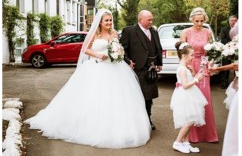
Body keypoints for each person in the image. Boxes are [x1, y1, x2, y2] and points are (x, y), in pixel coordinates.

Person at [26, 9, 151, 148]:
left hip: (115, 68)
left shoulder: (114, 33)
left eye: (110, 20)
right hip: (97, 67)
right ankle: (93, 126)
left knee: (116, 98)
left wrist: (118, 54)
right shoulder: (95, 34)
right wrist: (98, 55)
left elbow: (119, 48)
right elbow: (85, 49)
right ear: (100, 22)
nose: (109, 23)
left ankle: (119, 128)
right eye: (106, 21)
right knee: (95, 97)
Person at [180, 7, 219, 143]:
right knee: (192, 98)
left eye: (202, 21)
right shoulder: (186, 32)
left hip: (203, 66)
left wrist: (211, 63)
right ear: (192, 19)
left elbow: (211, 51)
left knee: (204, 97)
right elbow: (182, 52)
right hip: (190, 64)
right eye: (197, 21)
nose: (199, 23)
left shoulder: (207, 32)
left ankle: (207, 134)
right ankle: (191, 135)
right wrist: (187, 67)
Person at [120, 9, 163, 129]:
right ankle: (137, 120)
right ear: (140, 19)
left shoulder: (154, 32)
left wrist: (159, 62)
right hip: (138, 68)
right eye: (149, 19)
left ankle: (148, 118)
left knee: (149, 97)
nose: (151, 21)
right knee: (138, 96)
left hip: (152, 68)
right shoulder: (130, 31)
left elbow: (158, 47)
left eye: (152, 19)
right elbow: (122, 49)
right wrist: (128, 61)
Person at [170, 42, 208, 154]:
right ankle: (177, 142)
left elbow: (188, 81)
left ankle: (186, 143)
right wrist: (197, 79)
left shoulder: (185, 68)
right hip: (186, 95)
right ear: (184, 56)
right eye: (191, 55)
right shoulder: (182, 69)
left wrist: (193, 74)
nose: (193, 57)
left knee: (189, 120)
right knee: (190, 121)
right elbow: (185, 86)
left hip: (190, 94)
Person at [217, 15, 238, 89]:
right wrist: (232, 43)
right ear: (229, 22)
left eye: (235, 20)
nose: (233, 22)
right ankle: (224, 82)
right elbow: (222, 39)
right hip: (227, 51)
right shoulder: (224, 29)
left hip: (237, 51)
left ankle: (236, 83)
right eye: (232, 20)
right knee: (225, 67)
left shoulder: (239, 29)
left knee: (237, 68)